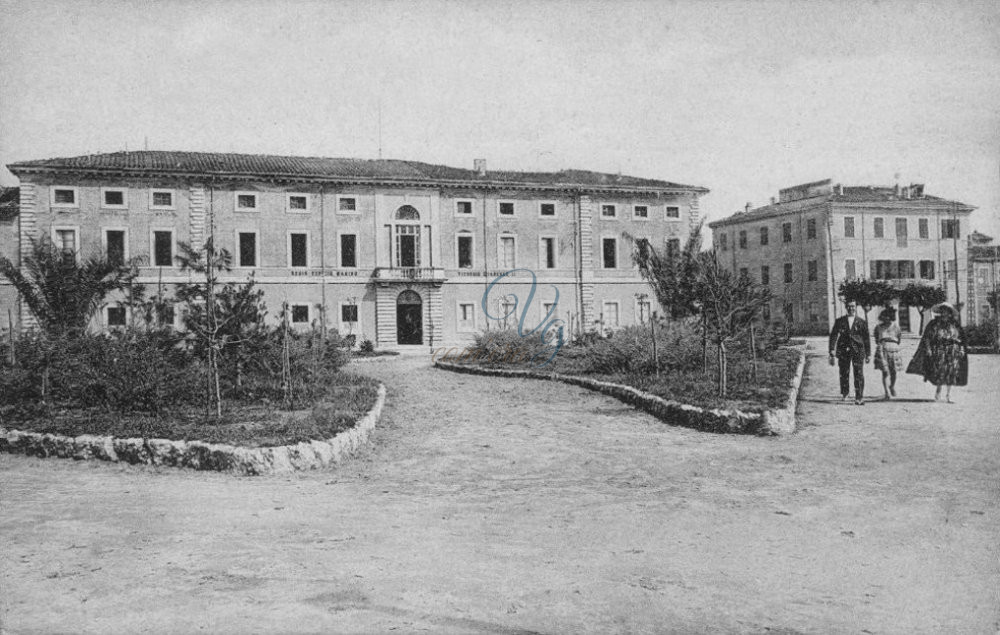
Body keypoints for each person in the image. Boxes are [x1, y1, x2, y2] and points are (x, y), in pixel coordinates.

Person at [906, 302, 968, 403]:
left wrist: (961, 349)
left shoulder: (955, 325)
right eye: (942, 311)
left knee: (952, 372)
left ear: (950, 313)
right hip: (939, 350)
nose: (944, 314)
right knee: (940, 371)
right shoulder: (934, 324)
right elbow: (926, 338)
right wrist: (929, 349)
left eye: (946, 312)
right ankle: (938, 392)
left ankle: (948, 395)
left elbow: (961, 339)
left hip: (953, 350)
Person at [829, 299, 871, 405]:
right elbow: (834, 335)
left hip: (858, 350)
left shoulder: (862, 322)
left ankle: (859, 397)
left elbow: (866, 338)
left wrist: (868, 354)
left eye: (853, 306)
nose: (851, 308)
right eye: (849, 306)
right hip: (844, 350)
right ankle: (845, 393)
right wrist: (832, 349)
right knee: (844, 372)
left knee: (859, 373)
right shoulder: (840, 321)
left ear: (856, 307)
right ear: (846, 307)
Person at [873, 307, 902, 400]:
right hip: (882, 350)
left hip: (894, 351)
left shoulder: (896, 327)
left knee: (894, 372)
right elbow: (877, 339)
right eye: (885, 317)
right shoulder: (878, 327)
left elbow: (899, 339)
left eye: (889, 317)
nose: (887, 319)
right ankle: (886, 393)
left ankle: (892, 386)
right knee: (885, 372)